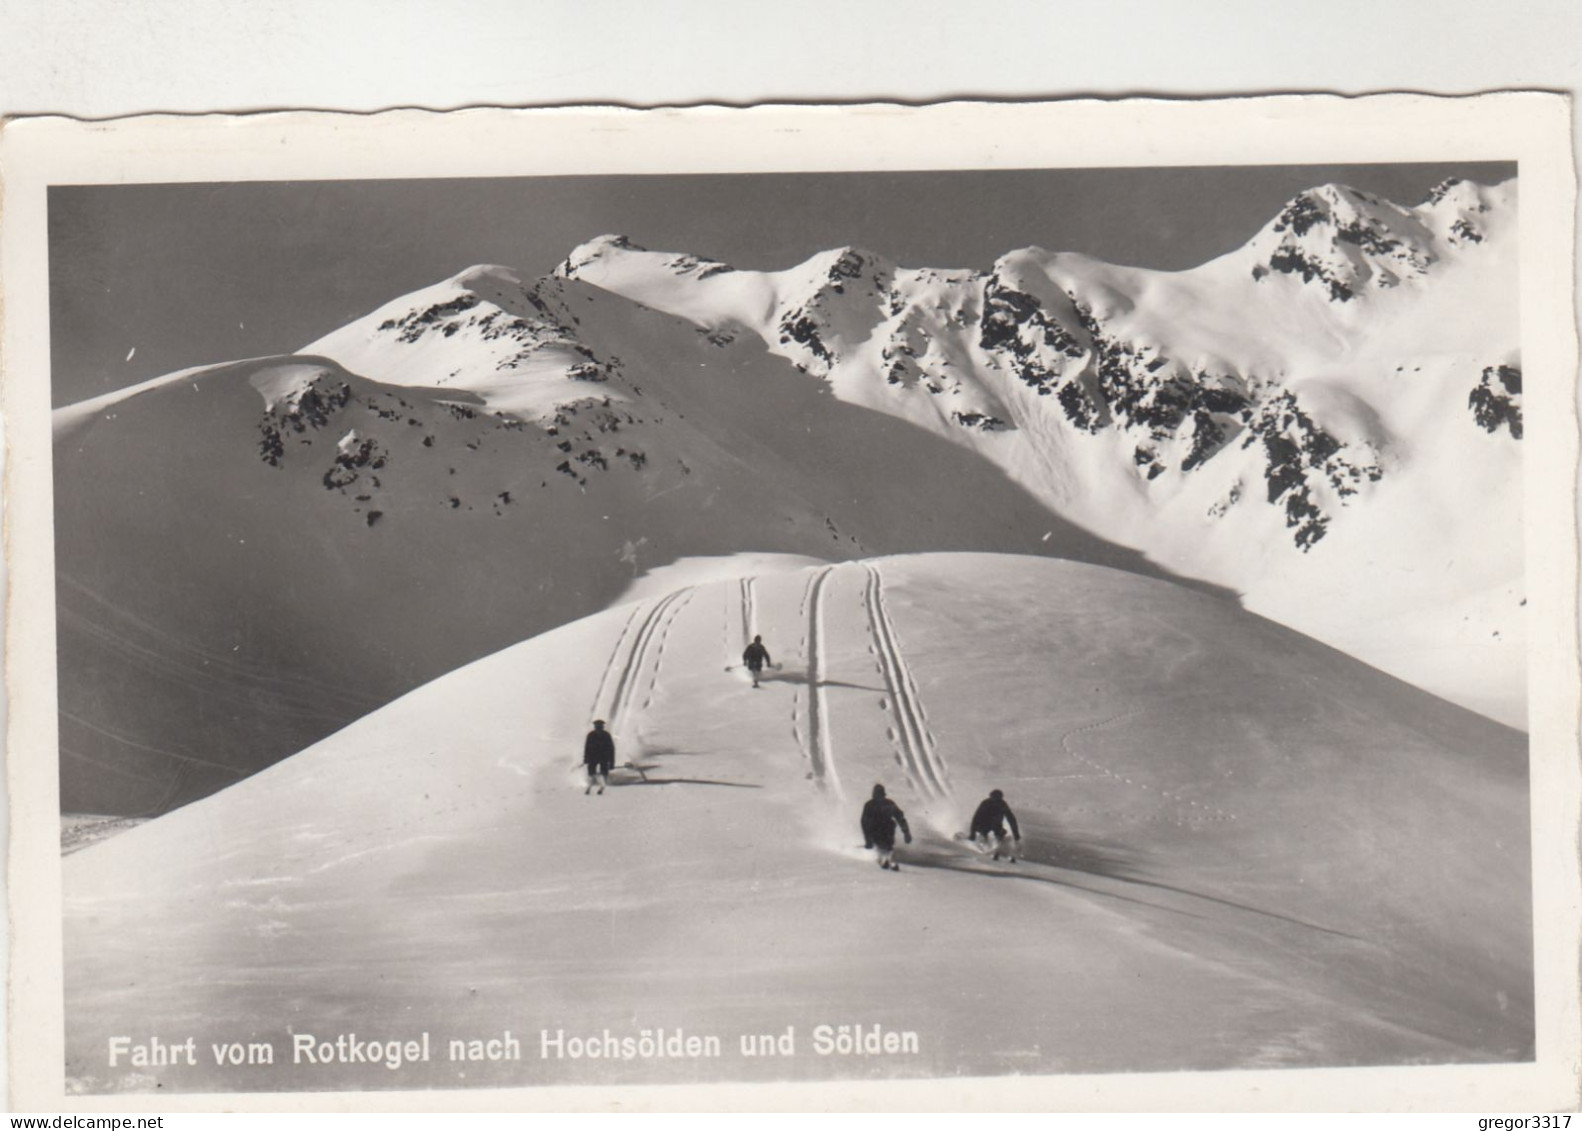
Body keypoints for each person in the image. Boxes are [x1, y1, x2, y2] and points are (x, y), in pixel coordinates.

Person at [860, 783, 912, 871]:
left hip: (887, 831)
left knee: (888, 840)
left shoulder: (889, 804)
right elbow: (864, 822)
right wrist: (868, 840)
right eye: (877, 795)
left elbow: (900, 818)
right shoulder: (869, 805)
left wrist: (906, 833)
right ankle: (881, 857)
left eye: (880, 795)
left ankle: (889, 857)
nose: (878, 798)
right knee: (879, 843)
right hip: (874, 831)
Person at [969, 788, 1021, 861]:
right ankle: (985, 847)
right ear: (991, 797)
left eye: (998, 798)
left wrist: (1016, 834)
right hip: (983, 825)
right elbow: (976, 818)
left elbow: (1011, 819)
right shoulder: (985, 803)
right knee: (984, 834)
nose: (996, 800)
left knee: (1000, 834)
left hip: (996, 825)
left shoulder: (1002, 804)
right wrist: (972, 832)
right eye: (994, 798)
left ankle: (999, 849)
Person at [583, 719, 615, 795]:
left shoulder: (606, 735)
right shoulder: (590, 735)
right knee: (591, 771)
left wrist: (611, 762)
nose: (599, 728)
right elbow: (587, 748)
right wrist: (586, 758)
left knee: (604, 771)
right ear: (595, 727)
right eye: (597, 727)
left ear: (602, 727)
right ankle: (590, 782)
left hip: (604, 757)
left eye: (600, 727)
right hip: (593, 757)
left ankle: (603, 783)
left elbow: (611, 749)